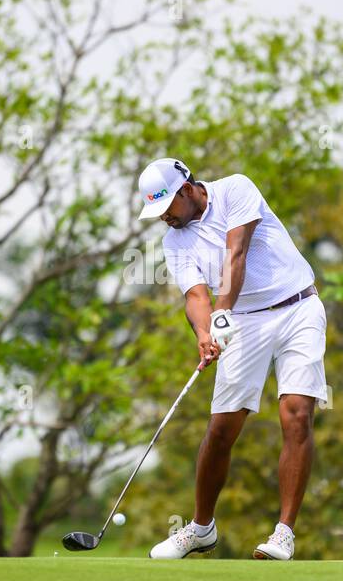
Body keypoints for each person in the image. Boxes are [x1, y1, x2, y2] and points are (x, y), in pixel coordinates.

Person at [135, 158, 327, 560]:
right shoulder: (175, 241)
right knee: (222, 428)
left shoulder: (235, 189)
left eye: (167, 207)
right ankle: (201, 528)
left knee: (295, 413)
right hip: (243, 323)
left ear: (187, 190)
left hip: (298, 307)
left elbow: (236, 253)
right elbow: (194, 297)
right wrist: (206, 334)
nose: (164, 219)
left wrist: (222, 312)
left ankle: (283, 533)